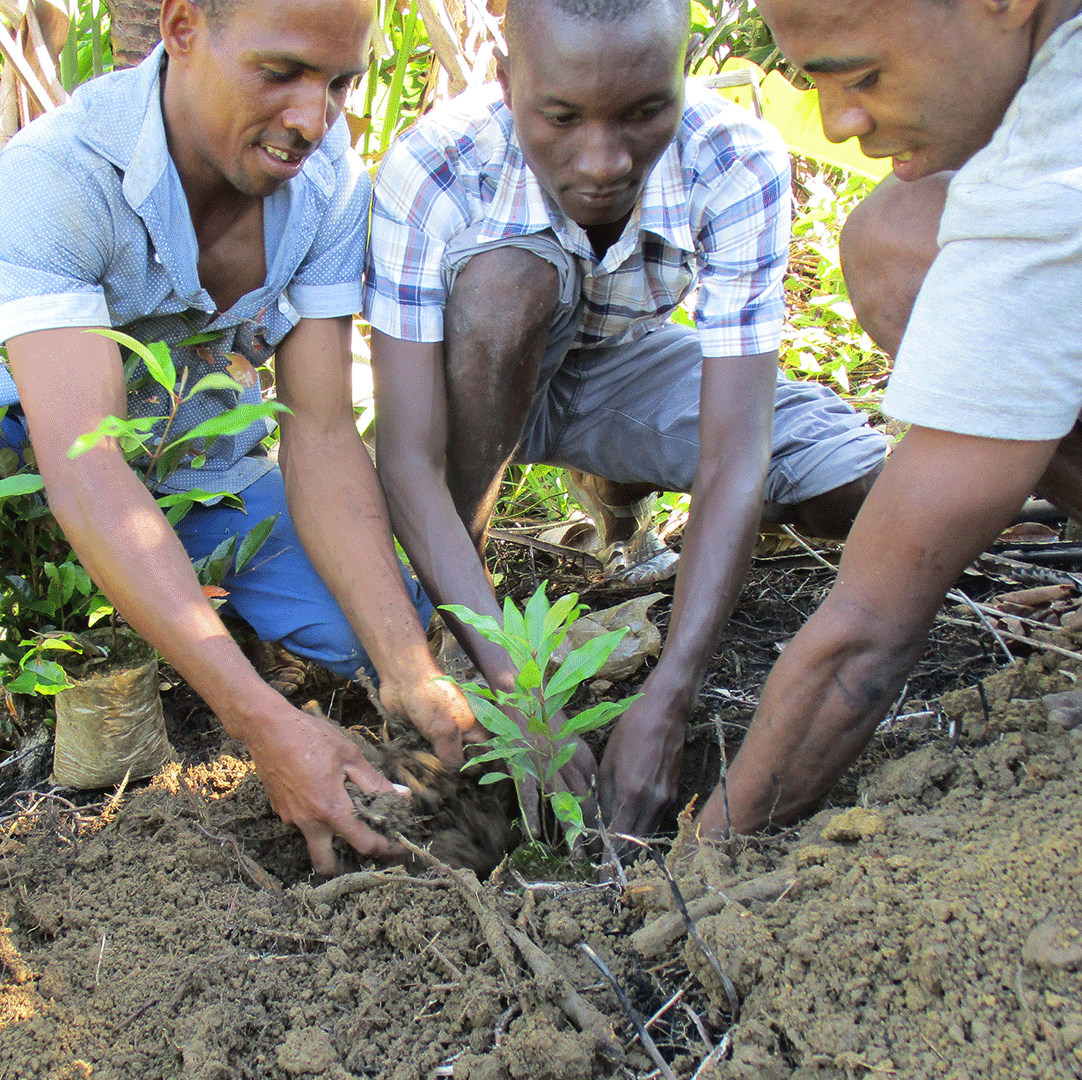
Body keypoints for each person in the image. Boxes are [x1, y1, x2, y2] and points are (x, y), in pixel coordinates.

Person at [0, 0, 482, 884]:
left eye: (339, 82)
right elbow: (85, 468)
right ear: (184, 29)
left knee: (386, 631)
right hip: (29, 478)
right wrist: (261, 724)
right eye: (281, 74)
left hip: (206, 479)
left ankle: (210, 619)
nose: (313, 119)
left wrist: (404, 667)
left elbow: (316, 430)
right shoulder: (61, 172)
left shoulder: (327, 184)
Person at [365, 0, 887, 837]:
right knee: (508, 288)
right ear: (508, 81)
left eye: (645, 113)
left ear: (682, 80)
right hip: (474, 386)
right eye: (562, 117)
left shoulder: (736, 158)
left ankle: (615, 496)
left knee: (857, 484)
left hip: (616, 370)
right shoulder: (436, 168)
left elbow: (734, 453)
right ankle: (456, 628)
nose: (604, 160)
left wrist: (672, 693)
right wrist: (525, 697)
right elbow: (407, 460)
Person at [704, 0, 1082, 837]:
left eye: (862, 76)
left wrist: (707, 845)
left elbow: (866, 634)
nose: (838, 121)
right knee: (901, 241)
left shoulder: (1066, 195)